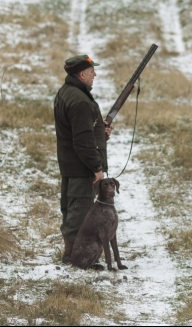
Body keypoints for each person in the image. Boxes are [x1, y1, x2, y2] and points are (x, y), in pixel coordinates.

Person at [53, 55, 113, 264]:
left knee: (71, 209)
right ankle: (74, 256)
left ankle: (73, 253)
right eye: (91, 71)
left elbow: (78, 132)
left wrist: (99, 131)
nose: (94, 74)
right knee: (80, 212)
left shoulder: (67, 93)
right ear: (82, 74)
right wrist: (97, 168)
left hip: (70, 163)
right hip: (80, 166)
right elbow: (82, 142)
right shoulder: (80, 101)